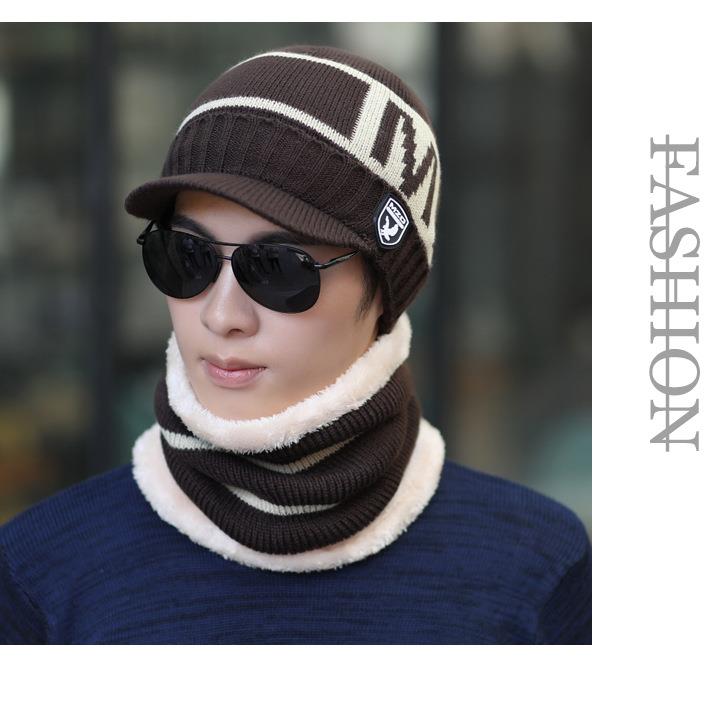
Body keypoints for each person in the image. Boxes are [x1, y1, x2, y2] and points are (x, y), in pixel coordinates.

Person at [0, 44, 591, 644]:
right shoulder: (38, 573)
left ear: (386, 292)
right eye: (185, 256)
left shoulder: (536, 569)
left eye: (279, 269)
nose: (222, 315)